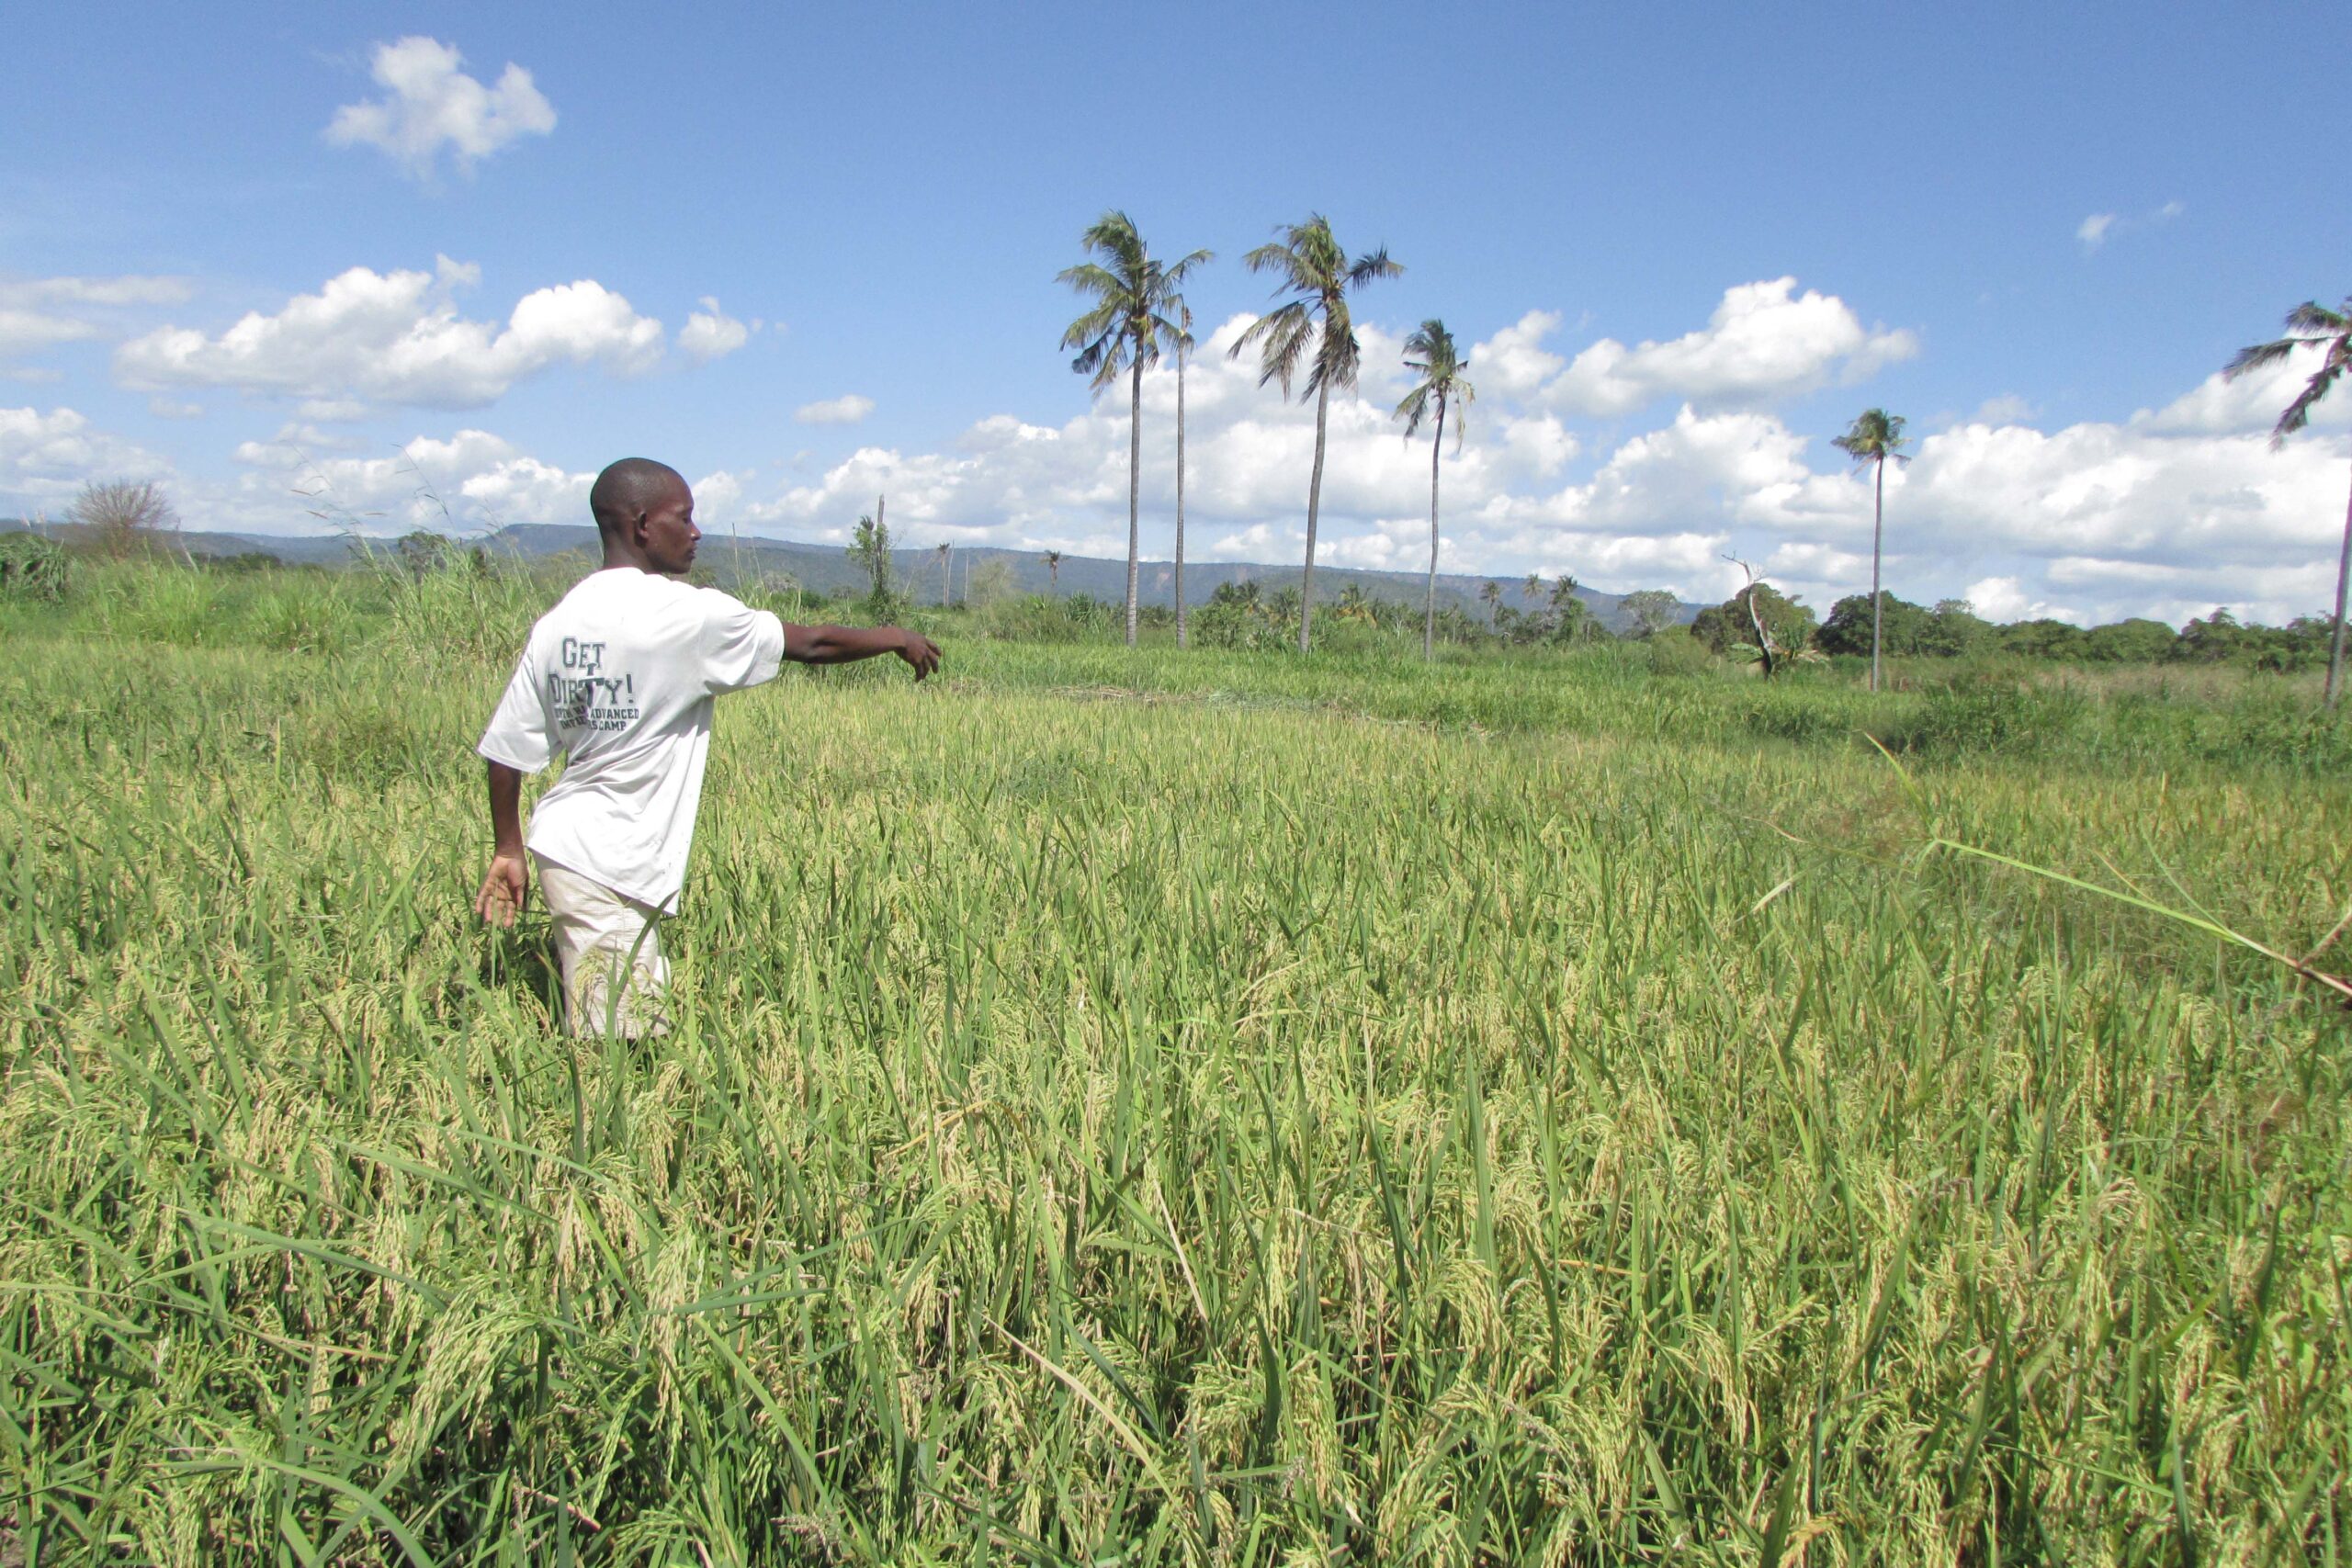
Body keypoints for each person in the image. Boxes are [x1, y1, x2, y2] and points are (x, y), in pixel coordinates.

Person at [474, 457, 939, 1034]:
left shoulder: (559, 623)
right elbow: (813, 644)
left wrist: (509, 847)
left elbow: (507, 749)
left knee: (625, 1021)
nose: (696, 532)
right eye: (684, 517)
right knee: (621, 1044)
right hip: (607, 857)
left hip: (573, 846)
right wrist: (896, 636)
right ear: (644, 525)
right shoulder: (685, 615)